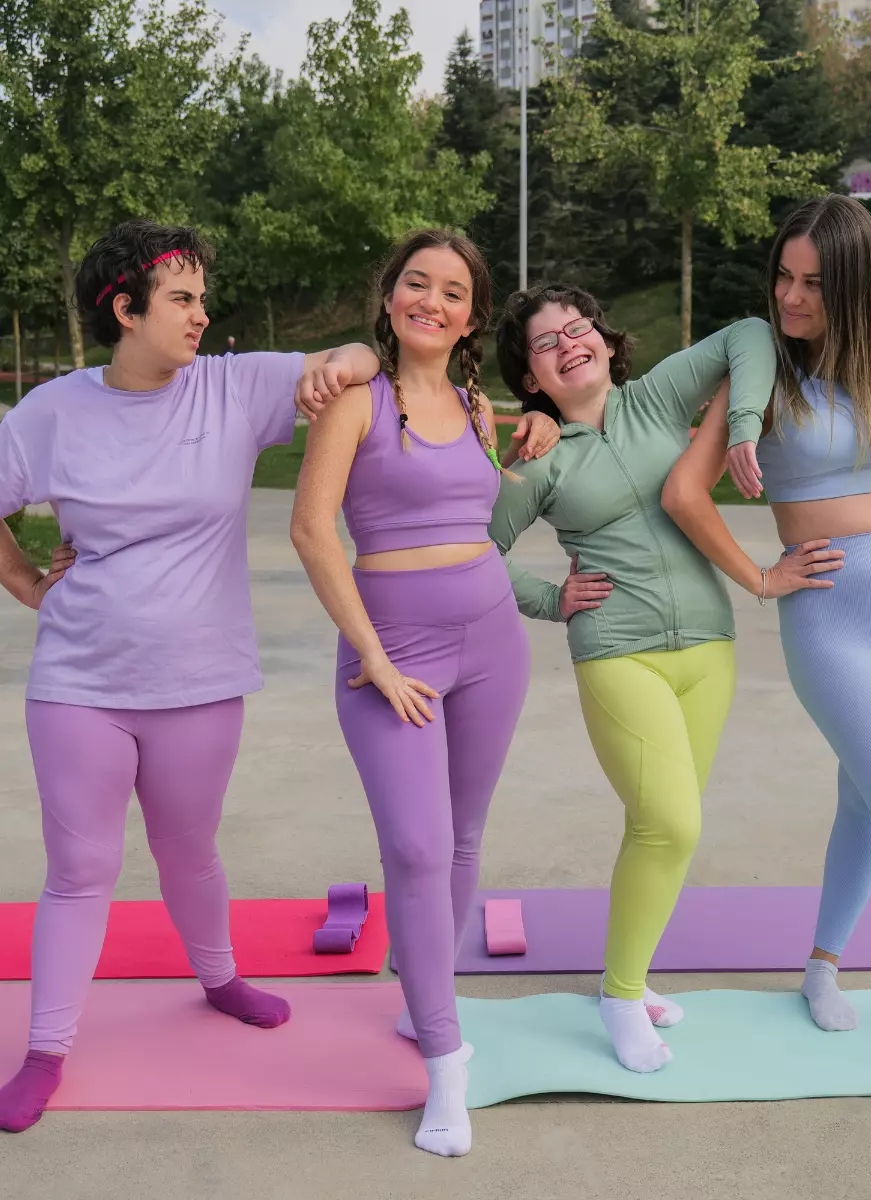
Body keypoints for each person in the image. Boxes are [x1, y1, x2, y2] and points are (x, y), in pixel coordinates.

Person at [0, 218, 382, 1133]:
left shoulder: (236, 387)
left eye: (203, 296)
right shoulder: (51, 411)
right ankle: (46, 1049)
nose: (202, 314)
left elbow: (360, 350)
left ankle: (219, 978)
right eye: (181, 298)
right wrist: (25, 585)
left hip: (200, 682)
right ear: (125, 310)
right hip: (79, 681)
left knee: (188, 851)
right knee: (81, 867)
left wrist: (349, 364)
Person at [662, 193, 871, 1050]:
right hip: (828, 618)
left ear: (854, 285)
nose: (791, 296)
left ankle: (821, 965)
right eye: (784, 275)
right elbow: (682, 492)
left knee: (867, 797)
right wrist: (761, 578)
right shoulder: (760, 376)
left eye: (812, 282)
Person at [488, 284, 835, 1075]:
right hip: (617, 652)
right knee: (671, 824)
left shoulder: (657, 398)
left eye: (578, 328)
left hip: (709, 648)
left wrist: (742, 423)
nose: (568, 342)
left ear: (606, 342)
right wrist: (550, 600)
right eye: (547, 342)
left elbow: (750, 331)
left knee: (662, 833)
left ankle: (633, 981)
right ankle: (618, 996)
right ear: (533, 378)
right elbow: (473, 555)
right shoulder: (537, 460)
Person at [290, 229, 559, 1157]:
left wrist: (548, 425)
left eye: (452, 292)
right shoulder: (356, 400)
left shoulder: (482, 408)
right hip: (387, 653)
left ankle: (425, 1003)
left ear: (472, 316)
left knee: (463, 839)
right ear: (391, 293)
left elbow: (491, 505)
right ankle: (445, 1065)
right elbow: (312, 531)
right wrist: (373, 652)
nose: (431, 302)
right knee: (414, 845)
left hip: (490, 641)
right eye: (416, 284)